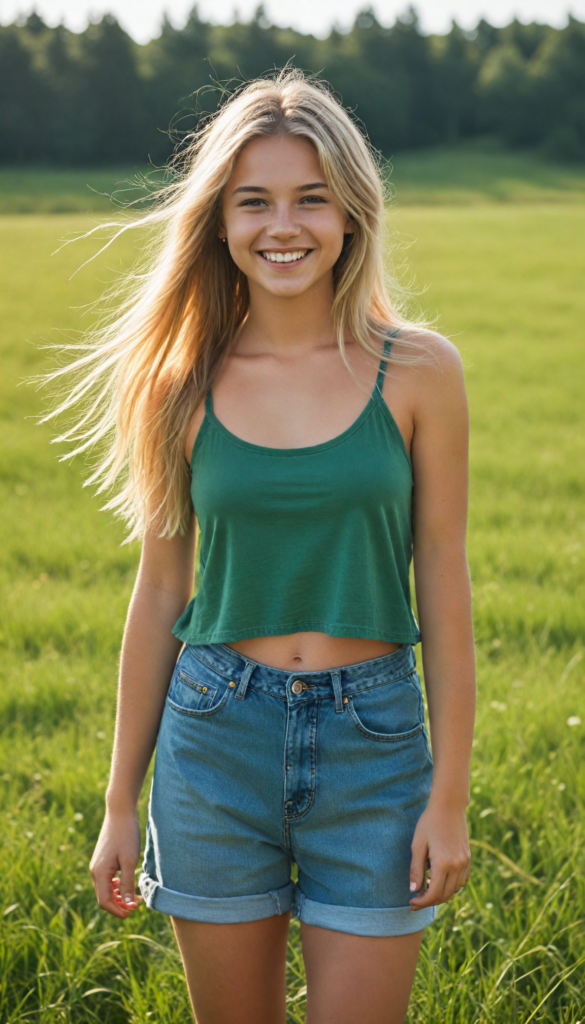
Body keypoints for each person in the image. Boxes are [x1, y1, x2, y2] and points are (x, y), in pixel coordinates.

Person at [59, 70, 475, 1024]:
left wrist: (448, 797)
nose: (281, 226)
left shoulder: (418, 370)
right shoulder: (177, 381)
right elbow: (160, 591)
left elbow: (443, 585)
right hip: (214, 739)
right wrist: (119, 802)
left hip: (375, 745)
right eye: (253, 201)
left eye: (309, 199)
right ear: (217, 221)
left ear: (350, 213)